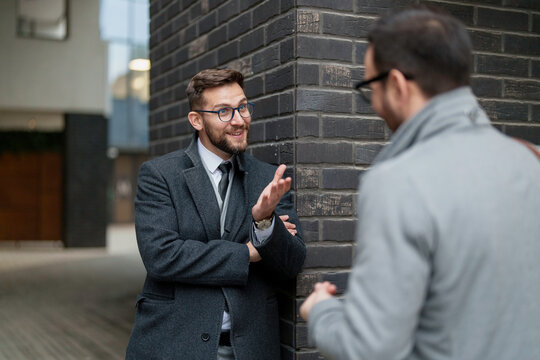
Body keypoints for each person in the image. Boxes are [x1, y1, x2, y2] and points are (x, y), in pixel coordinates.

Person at [300, 7, 540, 360]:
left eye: (370, 88)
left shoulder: (398, 183)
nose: (373, 104)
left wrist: (322, 310)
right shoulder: (531, 159)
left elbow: (368, 350)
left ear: (397, 84)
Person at [126, 68, 306, 360]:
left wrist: (263, 223)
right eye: (224, 111)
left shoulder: (268, 178)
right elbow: (161, 256)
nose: (239, 120)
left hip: (250, 347)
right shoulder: (160, 175)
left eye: (243, 107)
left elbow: (292, 263)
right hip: (174, 342)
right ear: (196, 120)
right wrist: (246, 253)